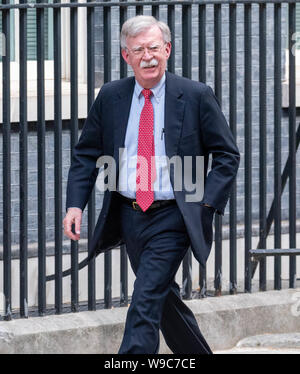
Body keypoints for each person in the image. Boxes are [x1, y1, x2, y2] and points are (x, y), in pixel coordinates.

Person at [62, 15, 240, 354]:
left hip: (174, 216)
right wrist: (75, 205)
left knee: (143, 301)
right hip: (131, 216)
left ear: (167, 49)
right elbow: (86, 154)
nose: (149, 56)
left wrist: (205, 206)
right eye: (139, 50)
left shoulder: (195, 95)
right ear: (126, 56)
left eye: (155, 48)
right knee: (162, 298)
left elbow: (227, 154)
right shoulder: (112, 96)